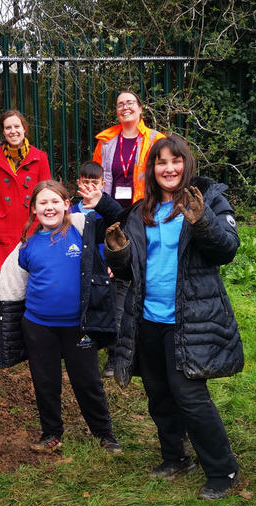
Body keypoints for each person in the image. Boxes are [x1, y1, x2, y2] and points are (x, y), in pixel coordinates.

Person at [104, 135, 243, 500]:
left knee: (190, 395)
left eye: (175, 161)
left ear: (187, 165)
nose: (168, 168)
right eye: (160, 162)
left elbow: (227, 249)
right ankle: (175, 457)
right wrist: (117, 254)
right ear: (151, 170)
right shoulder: (139, 212)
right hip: (147, 317)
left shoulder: (208, 199)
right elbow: (127, 273)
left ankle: (223, 468)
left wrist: (202, 221)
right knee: (159, 394)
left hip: (190, 316)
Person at [0, 180, 123, 454]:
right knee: (45, 381)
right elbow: (9, 282)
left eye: (55, 202)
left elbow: (121, 219)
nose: (49, 207)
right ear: (34, 210)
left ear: (66, 204)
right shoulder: (27, 245)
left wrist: (102, 202)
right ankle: (51, 433)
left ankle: (104, 433)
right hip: (39, 326)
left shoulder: (83, 230)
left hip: (78, 326)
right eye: (43, 203)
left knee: (87, 381)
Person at [93, 90, 166, 377]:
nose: (125, 107)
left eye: (130, 103)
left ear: (140, 108)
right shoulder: (106, 142)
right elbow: (98, 180)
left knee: (143, 278)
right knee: (117, 283)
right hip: (112, 217)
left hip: (144, 216)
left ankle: (147, 344)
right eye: (120, 104)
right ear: (116, 111)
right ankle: (116, 352)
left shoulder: (155, 140)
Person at [0, 109, 52, 270]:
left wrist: (52, 228)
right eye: (8, 128)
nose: (13, 131)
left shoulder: (39, 157)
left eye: (17, 126)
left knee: (34, 281)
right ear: (3, 132)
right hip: (4, 232)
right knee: (7, 288)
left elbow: (48, 194)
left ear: (24, 129)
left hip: (33, 229)